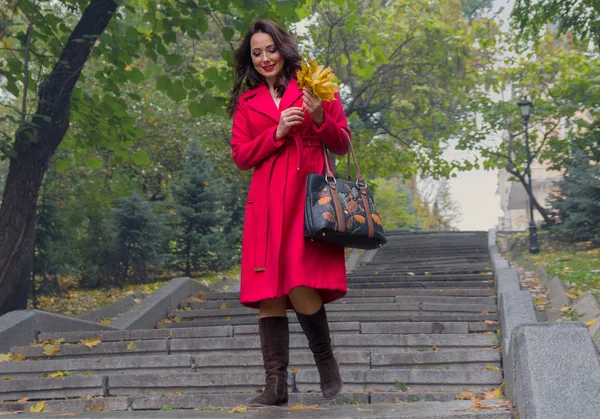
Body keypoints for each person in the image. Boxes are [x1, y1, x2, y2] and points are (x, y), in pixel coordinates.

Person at [228, 19, 350, 407]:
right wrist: (277, 131)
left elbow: (343, 143)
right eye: (257, 53)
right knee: (269, 290)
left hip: (308, 199)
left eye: (271, 49)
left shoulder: (316, 86)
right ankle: (275, 386)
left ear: (284, 48)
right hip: (265, 203)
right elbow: (240, 157)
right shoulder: (247, 104)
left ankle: (326, 363)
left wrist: (319, 118)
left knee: (299, 280)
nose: (265, 58)